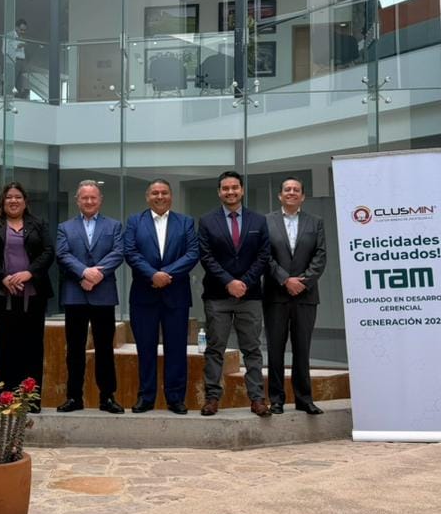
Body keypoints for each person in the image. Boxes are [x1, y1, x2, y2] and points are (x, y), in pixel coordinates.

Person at [197, 170, 271, 417]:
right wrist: (229, 282)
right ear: (219, 192)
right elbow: (206, 256)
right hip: (217, 295)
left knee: (252, 349)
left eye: (234, 187)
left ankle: (257, 399)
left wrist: (244, 283)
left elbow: (264, 255)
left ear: (242, 190)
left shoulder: (258, 221)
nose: (230, 192)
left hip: (250, 296)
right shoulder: (207, 221)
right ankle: (212, 398)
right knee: (215, 349)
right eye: (225, 188)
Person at [123, 179, 199, 414]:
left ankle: (175, 399)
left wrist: (165, 274)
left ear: (171, 196)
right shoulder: (135, 221)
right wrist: (152, 275)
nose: (159, 196)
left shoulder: (185, 222)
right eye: (155, 193)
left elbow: (192, 253)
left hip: (176, 295)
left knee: (176, 349)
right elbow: (130, 252)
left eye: (164, 192)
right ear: (148, 197)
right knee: (145, 349)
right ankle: (146, 397)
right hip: (144, 295)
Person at [0, 182, 54, 405]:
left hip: (34, 296)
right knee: (6, 345)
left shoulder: (38, 224)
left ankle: (30, 400)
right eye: (9, 197)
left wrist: (29, 273)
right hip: (1, 297)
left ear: (25, 201)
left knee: (33, 346)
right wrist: (3, 277)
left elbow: (49, 252)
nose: (13, 200)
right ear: (2, 200)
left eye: (18, 197)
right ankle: (6, 397)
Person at [55, 180, 125, 413]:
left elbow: (118, 252)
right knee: (74, 349)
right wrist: (84, 273)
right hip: (75, 294)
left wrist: (97, 274)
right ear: (77, 201)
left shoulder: (114, 225)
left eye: (93, 197)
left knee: (105, 348)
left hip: (103, 294)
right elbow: (62, 255)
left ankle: (107, 397)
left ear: (100, 200)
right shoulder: (65, 227)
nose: (89, 201)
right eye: (84, 197)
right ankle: (74, 397)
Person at [263, 177, 327, 415]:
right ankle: (276, 399)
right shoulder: (266, 221)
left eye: (296, 190)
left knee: (302, 349)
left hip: (305, 296)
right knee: (275, 349)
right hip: (275, 295)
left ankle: (304, 399)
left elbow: (320, 256)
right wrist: (285, 279)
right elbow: (264, 256)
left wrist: (303, 282)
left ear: (303, 196)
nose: (291, 192)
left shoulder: (315, 222)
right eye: (287, 189)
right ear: (280, 195)